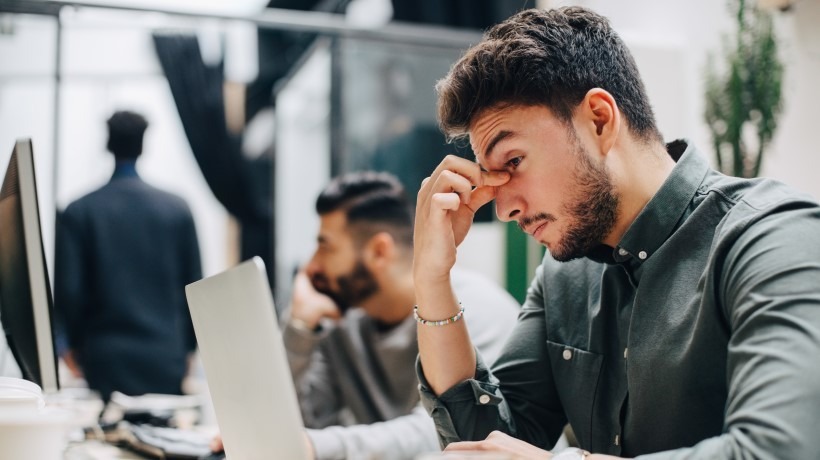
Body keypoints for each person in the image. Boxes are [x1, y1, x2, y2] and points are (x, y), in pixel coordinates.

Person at [413, 6, 820, 460]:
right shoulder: (564, 275)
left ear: (600, 120)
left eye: (513, 162)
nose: (505, 208)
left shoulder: (773, 238)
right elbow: (485, 439)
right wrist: (432, 281)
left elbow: (781, 450)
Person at [284, 171, 520, 460]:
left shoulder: (477, 310)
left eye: (325, 246)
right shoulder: (341, 325)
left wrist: (315, 446)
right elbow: (301, 424)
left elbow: (446, 434)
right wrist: (299, 330)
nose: (313, 266)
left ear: (379, 251)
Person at [55, 110, 202, 402]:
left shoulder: (79, 211)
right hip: (165, 357)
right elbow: (194, 288)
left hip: (104, 359)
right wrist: (189, 349)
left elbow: (69, 291)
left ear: (108, 145)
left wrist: (66, 346)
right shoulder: (177, 209)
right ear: (142, 146)